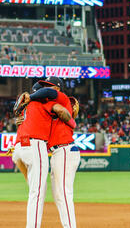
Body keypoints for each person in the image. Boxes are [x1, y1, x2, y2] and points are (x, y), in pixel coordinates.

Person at [12, 77, 77, 228]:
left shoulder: (36, 104)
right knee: (47, 193)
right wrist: (72, 121)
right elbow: (60, 111)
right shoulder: (45, 103)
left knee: (53, 193)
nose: (47, 89)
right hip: (41, 147)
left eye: (50, 86)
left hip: (29, 148)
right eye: (44, 87)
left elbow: (50, 96)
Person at [48, 94, 81, 228]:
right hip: (57, 152)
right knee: (58, 195)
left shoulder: (63, 118)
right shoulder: (51, 120)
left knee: (64, 194)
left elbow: (62, 111)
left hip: (65, 150)